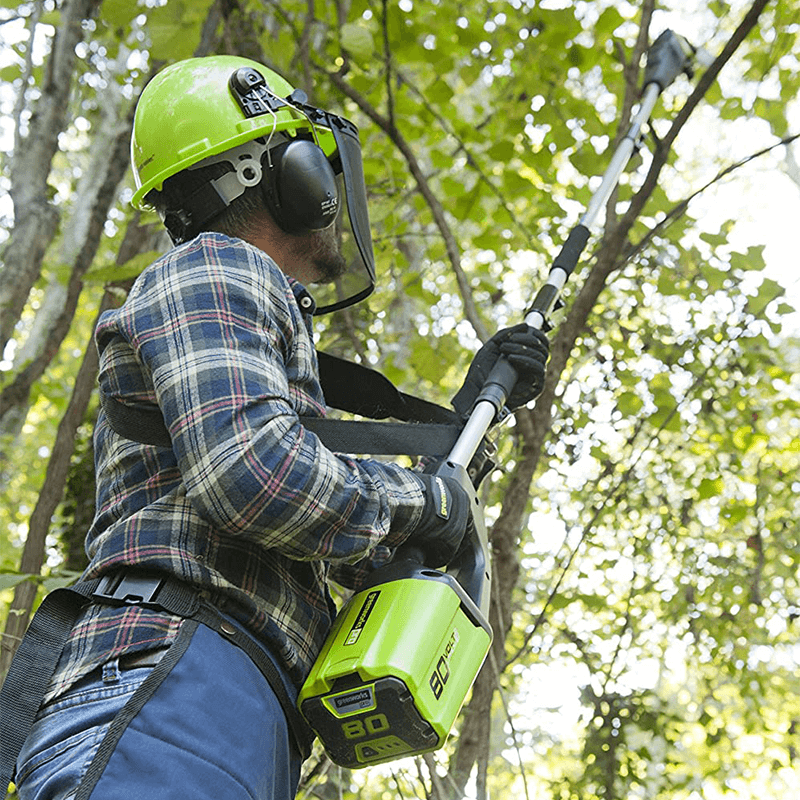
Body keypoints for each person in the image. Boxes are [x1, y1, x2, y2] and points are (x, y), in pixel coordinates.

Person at [9, 55, 549, 800]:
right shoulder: (219, 266)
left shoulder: (234, 307)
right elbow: (254, 475)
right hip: (179, 683)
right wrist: (427, 503)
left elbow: (327, 529)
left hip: (228, 699)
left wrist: (460, 438)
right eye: (318, 161)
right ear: (288, 171)